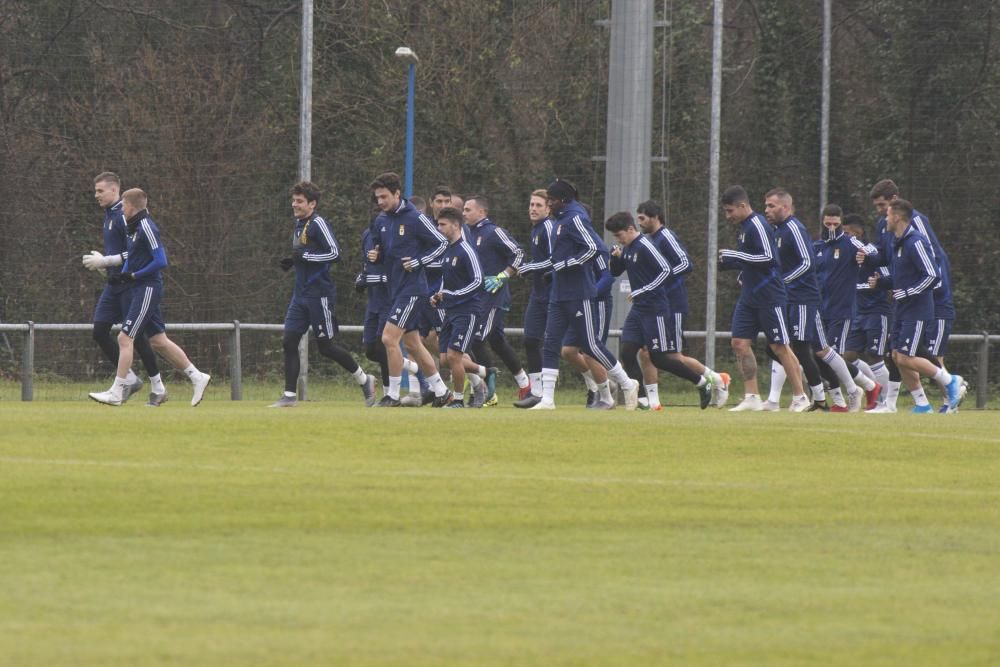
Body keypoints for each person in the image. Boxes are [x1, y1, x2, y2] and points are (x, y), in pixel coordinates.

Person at [88, 188, 211, 407]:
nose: (121, 209)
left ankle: (117, 391)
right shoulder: (131, 227)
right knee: (158, 341)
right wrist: (123, 273)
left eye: (124, 205)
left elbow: (161, 261)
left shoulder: (147, 226)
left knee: (124, 338)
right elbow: (133, 257)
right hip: (137, 287)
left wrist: (135, 275)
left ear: (132, 207)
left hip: (148, 288)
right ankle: (197, 376)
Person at [530, 179, 639, 410]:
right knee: (551, 343)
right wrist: (542, 269)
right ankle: (547, 400)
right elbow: (557, 258)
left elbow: (594, 247)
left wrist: (565, 265)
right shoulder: (560, 221)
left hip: (579, 293)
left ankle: (627, 383)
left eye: (551, 201)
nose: (548, 205)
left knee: (590, 344)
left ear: (563, 200)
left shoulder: (575, 218)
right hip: (559, 294)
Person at [607, 212, 727, 411]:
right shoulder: (627, 248)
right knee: (627, 352)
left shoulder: (646, 246)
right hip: (639, 310)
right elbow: (615, 272)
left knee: (660, 358)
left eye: (619, 235)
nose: (618, 239)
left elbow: (666, 270)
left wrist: (643, 290)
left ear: (630, 229)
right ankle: (643, 399)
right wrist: (615, 258)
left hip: (655, 309)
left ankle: (701, 382)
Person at [270, 181, 376, 407]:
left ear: (312, 204)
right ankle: (289, 396)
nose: (294, 205)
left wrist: (305, 258)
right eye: (294, 200)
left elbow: (335, 253)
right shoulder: (299, 225)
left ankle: (364, 379)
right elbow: (305, 253)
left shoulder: (318, 223)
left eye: (299, 201)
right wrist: (293, 262)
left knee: (326, 347)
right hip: (300, 295)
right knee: (289, 341)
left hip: (319, 295)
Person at [762, 189, 867, 412]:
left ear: (786, 207)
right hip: (798, 299)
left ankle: (823, 396)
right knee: (803, 349)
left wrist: (783, 281)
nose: (766, 210)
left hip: (805, 299)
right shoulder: (779, 231)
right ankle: (841, 393)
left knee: (802, 347)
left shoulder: (795, 229)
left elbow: (806, 263)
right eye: (766, 206)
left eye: (771, 206)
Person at [717, 185, 808, 412]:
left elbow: (769, 258)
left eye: (730, 211)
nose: (728, 216)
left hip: (770, 295)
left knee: (779, 346)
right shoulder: (743, 228)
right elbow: (751, 259)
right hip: (750, 295)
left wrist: (734, 255)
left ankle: (800, 397)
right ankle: (752, 396)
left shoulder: (758, 224)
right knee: (739, 343)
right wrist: (733, 266)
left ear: (742, 205)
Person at [870, 198, 963, 413]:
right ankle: (922, 404)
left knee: (905, 356)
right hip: (902, 308)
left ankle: (950, 381)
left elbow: (932, 275)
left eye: (888, 214)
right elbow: (901, 278)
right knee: (895, 356)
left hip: (918, 309)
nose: (885, 218)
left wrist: (908, 292)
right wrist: (882, 282)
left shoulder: (915, 241)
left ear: (897, 216)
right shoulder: (897, 243)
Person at [82, 172, 166, 405]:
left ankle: (157, 386)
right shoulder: (109, 215)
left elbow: (137, 252)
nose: (96, 195)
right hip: (114, 283)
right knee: (100, 331)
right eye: (95, 190)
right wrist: (104, 267)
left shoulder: (123, 215)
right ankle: (128, 379)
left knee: (135, 336)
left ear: (114, 190)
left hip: (129, 284)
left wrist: (107, 262)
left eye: (100, 191)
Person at [368, 172, 451, 407]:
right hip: (396, 289)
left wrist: (418, 261)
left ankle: (392, 395)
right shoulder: (382, 221)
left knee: (388, 338)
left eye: (384, 197)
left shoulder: (415, 218)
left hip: (413, 289)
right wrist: (376, 255)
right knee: (414, 343)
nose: (380, 202)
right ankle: (442, 391)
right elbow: (384, 251)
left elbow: (442, 243)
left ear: (397, 194)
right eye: (378, 198)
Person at [813, 206, 882, 410]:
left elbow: (875, 252)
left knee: (831, 354)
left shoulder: (850, 242)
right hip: (820, 310)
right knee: (819, 355)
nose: (832, 227)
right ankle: (863, 389)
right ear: (822, 223)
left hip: (841, 310)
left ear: (841, 223)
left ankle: (856, 391)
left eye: (835, 224)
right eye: (828, 224)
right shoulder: (817, 246)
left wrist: (866, 256)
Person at [463, 195, 530, 403]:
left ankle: (485, 387)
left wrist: (503, 276)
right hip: (474, 297)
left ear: (482, 212)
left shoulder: (494, 232)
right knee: (498, 342)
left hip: (492, 298)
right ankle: (525, 384)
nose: (464, 213)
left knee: (475, 338)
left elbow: (519, 253)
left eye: (468, 210)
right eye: (463, 210)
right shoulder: (466, 234)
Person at [430, 207, 484, 407]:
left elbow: (478, 281)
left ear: (455, 225)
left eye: (442, 224)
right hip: (450, 311)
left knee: (454, 356)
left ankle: (458, 400)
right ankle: (486, 372)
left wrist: (453, 295)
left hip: (467, 311)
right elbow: (448, 281)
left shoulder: (467, 250)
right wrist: (438, 295)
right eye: (438, 224)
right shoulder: (447, 250)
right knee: (444, 359)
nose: (439, 228)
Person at [841, 215, 892, 405]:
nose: (843, 237)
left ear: (857, 233)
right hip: (857, 313)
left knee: (875, 356)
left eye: (846, 233)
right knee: (848, 356)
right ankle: (873, 387)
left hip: (877, 311)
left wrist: (878, 283)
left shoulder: (872, 253)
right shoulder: (848, 256)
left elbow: (888, 275)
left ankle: (885, 402)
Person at [513, 189, 554, 408]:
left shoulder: (548, 228)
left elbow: (555, 260)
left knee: (574, 347)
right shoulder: (536, 230)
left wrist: (530, 266)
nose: (533, 209)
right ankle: (536, 392)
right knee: (530, 340)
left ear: (548, 208)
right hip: (538, 295)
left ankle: (598, 386)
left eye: (538, 205)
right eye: (531, 205)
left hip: (552, 295)